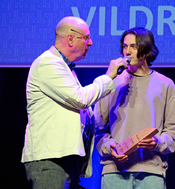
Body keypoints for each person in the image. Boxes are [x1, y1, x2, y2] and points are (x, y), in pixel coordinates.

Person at [21, 16, 128, 188]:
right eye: (86, 37)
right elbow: (80, 99)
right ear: (70, 39)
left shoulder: (64, 67)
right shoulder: (48, 63)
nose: (91, 43)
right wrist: (109, 76)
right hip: (51, 160)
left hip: (65, 161)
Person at [94, 27, 175, 189]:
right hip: (115, 171)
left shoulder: (166, 84)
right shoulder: (111, 82)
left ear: (147, 50)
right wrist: (110, 146)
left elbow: (173, 135)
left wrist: (157, 142)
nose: (127, 52)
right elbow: (98, 129)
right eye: (125, 47)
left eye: (133, 46)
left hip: (151, 171)